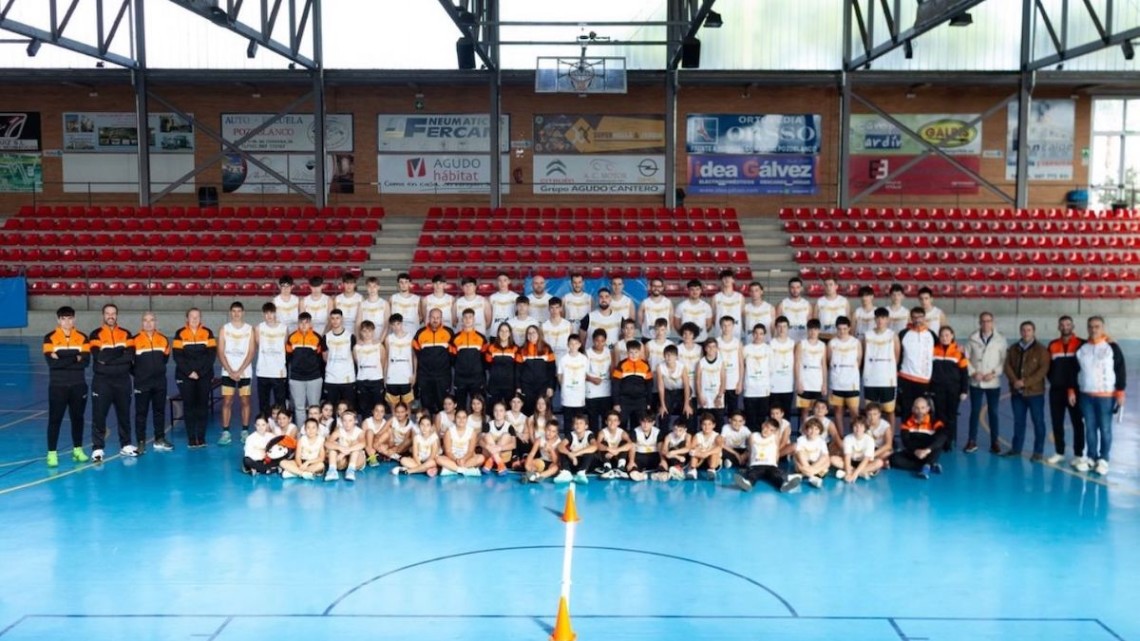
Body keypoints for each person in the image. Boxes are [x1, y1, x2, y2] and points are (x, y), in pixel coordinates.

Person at [1071, 315, 1126, 475]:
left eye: (1097, 326)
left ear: (1103, 328)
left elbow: (1120, 370)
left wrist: (1120, 391)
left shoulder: (1112, 347)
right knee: (1090, 428)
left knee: (1105, 428)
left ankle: (1104, 459)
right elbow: (1075, 371)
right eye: (1090, 326)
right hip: (1086, 395)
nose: (1093, 329)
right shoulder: (1082, 348)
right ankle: (1091, 457)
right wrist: (1071, 390)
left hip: (1106, 396)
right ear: (1087, 328)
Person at [43, 306, 91, 467]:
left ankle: (77, 450)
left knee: (78, 419)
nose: (67, 322)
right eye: (63, 318)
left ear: (74, 319)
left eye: (70, 318)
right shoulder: (49, 338)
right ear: (58, 320)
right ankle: (52, 453)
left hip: (78, 385)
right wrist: (75, 358)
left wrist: (61, 358)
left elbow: (85, 362)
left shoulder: (83, 338)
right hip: (58, 386)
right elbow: (52, 364)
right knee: (55, 419)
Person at [89, 303, 135, 460]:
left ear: (117, 315)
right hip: (102, 382)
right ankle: (97, 448)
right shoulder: (95, 334)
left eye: (113, 313)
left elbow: (130, 356)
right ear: (103, 315)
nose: (110, 316)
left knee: (124, 414)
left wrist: (109, 357)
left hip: (123, 380)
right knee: (99, 415)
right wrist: (120, 351)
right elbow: (99, 357)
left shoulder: (126, 334)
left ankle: (126, 445)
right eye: (108, 313)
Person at [1001, 321, 1051, 460]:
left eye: (1029, 330)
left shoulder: (1041, 350)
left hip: (1035, 393)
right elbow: (1007, 366)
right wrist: (1015, 381)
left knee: (1038, 422)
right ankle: (1016, 448)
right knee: (1018, 422)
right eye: (1023, 330)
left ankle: (1038, 452)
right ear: (1020, 332)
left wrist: (1025, 382)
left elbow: (1042, 370)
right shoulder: (1013, 348)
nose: (1026, 332)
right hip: (1017, 394)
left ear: (1033, 331)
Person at [173, 308, 217, 449]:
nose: (194, 319)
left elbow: (211, 355)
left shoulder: (208, 333)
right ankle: (191, 438)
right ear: (187, 318)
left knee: (202, 406)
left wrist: (201, 373)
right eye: (192, 316)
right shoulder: (180, 333)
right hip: (185, 376)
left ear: (200, 318)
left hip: (204, 376)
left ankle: (201, 438)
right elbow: (177, 356)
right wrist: (189, 372)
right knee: (189, 406)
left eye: (197, 316)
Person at [965, 311, 1007, 454]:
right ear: (979, 323)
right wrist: (973, 372)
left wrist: (994, 373)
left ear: (992, 322)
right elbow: (965, 358)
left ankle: (995, 442)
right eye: (983, 321)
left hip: (993, 382)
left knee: (993, 412)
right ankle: (971, 441)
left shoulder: (1000, 340)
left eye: (988, 321)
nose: (986, 323)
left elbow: (1004, 360)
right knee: (974, 411)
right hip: (976, 382)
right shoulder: (972, 339)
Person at [1046, 316, 1086, 467]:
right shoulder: (1053, 345)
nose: (1065, 327)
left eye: (1068, 324)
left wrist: (1073, 387)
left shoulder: (1081, 344)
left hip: (1076, 390)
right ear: (1058, 327)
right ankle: (1059, 452)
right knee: (1057, 422)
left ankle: (1078, 454)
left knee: (1077, 423)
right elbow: (1048, 367)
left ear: (1073, 326)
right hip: (1056, 391)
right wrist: (1055, 380)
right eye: (1062, 325)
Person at [132, 311, 171, 454]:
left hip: (160, 382)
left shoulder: (164, 339)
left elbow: (165, 359)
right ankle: (141, 442)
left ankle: (159, 438)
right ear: (142, 322)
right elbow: (129, 363)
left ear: (156, 322)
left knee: (159, 411)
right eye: (145, 320)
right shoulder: (134, 340)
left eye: (151, 320)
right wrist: (140, 374)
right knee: (141, 413)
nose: (148, 323)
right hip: (142, 383)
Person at [217, 301, 255, 445]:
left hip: (244, 372)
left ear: (243, 313)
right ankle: (226, 432)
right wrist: (230, 370)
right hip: (228, 372)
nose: (236, 314)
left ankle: (245, 431)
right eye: (234, 311)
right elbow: (220, 352)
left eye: (239, 311)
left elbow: (251, 352)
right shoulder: (224, 329)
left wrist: (239, 370)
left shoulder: (249, 329)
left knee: (245, 401)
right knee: (227, 401)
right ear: (230, 313)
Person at [733, 418, 802, 493]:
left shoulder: (775, 437)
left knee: (776, 475)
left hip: (770, 465)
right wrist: (749, 465)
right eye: (767, 427)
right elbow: (751, 451)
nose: (767, 431)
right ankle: (748, 483)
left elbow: (777, 452)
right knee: (753, 474)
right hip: (756, 464)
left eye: (771, 430)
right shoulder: (753, 436)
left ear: (774, 432)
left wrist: (775, 464)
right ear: (763, 425)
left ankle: (784, 484)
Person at [931, 325, 969, 452]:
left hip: (954, 390)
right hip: (937, 389)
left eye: (947, 335)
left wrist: (964, 390)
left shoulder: (959, 351)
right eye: (942, 335)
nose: (944, 338)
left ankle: (949, 440)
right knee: (940, 415)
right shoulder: (933, 350)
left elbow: (964, 372)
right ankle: (940, 439)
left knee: (951, 416)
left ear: (952, 336)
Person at [897, 307, 937, 428]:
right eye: (914, 317)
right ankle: (906, 436)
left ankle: (922, 436)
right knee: (906, 410)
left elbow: (938, 355)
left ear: (924, 318)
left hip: (924, 380)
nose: (917, 320)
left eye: (920, 317)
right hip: (906, 378)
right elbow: (897, 355)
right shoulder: (903, 334)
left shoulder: (931, 335)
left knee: (922, 412)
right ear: (911, 318)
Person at [891, 397, 947, 479]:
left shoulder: (935, 421)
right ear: (913, 409)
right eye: (917, 408)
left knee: (938, 444)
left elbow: (943, 436)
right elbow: (905, 441)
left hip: (928, 452)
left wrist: (927, 450)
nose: (920, 411)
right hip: (914, 452)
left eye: (922, 408)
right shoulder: (906, 422)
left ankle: (928, 465)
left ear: (928, 409)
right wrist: (915, 451)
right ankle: (927, 466)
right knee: (894, 459)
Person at [862, 307, 900, 426]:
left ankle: (890, 435)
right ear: (874, 319)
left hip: (887, 380)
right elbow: (863, 354)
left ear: (887, 319)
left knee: (889, 411)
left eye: (883, 318)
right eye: (878, 318)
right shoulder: (867, 335)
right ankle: (870, 435)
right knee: (870, 411)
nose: (880, 320)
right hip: (870, 379)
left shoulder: (893, 335)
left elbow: (897, 356)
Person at [413, 308, 456, 416]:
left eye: (438, 317)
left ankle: (442, 425)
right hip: (425, 376)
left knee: (443, 404)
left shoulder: (449, 332)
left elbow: (453, 353)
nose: (435, 320)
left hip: (443, 376)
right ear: (429, 318)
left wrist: (444, 365)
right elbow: (416, 353)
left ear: (441, 319)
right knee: (426, 405)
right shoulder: (420, 333)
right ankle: (427, 426)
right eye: (433, 317)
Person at [286, 312, 323, 427]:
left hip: (314, 377)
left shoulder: (317, 337)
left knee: (314, 408)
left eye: (306, 322)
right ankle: (301, 432)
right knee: (299, 408)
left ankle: (315, 431)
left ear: (310, 324)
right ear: (298, 323)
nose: (303, 325)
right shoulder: (292, 337)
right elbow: (288, 358)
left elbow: (321, 359)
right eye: (301, 322)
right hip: (296, 378)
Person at [827, 316, 861, 436]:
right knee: (838, 411)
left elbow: (859, 361)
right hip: (836, 382)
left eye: (845, 329)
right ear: (836, 329)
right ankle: (841, 438)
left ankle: (856, 437)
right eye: (840, 329)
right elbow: (829, 360)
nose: (842, 331)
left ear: (849, 328)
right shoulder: (832, 343)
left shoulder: (856, 342)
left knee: (854, 412)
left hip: (852, 383)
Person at [254, 302, 289, 421]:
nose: (269, 315)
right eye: (266, 313)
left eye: (271, 313)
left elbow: (284, 344)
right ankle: (265, 425)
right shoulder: (259, 328)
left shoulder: (284, 328)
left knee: (280, 402)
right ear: (263, 314)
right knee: (263, 402)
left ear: (275, 313)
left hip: (279, 371)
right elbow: (258, 344)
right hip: (263, 371)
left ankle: (282, 425)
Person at [450, 309, 487, 409]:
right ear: (462, 320)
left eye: (470, 317)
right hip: (460, 378)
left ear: (474, 320)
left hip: (477, 378)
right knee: (460, 406)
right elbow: (452, 358)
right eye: (465, 317)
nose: (467, 320)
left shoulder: (481, 338)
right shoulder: (455, 338)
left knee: (478, 406)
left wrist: (478, 371)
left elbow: (484, 359)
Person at [612, 340, 653, 431]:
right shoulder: (621, 365)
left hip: (640, 401)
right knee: (622, 424)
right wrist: (616, 403)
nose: (633, 355)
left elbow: (649, 385)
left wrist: (649, 403)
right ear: (627, 353)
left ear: (640, 352)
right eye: (631, 352)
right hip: (625, 400)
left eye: (636, 352)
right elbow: (615, 385)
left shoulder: (645, 365)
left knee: (638, 425)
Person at [794, 319, 828, 427]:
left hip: (817, 382)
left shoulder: (822, 345)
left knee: (817, 410)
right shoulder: (801, 344)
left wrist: (824, 384)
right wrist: (798, 382)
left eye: (815, 329)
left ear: (819, 330)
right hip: (805, 381)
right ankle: (805, 431)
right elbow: (797, 363)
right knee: (804, 411)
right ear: (807, 330)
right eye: (811, 329)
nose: (813, 332)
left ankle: (816, 432)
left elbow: (823, 365)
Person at [516, 325, 556, 415]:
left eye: (534, 332)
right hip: (527, 387)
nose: (531, 335)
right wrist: (518, 387)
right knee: (528, 411)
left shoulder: (547, 348)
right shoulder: (521, 350)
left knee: (544, 411)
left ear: (539, 334)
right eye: (529, 333)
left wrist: (551, 387)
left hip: (543, 386)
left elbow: (551, 370)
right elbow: (518, 371)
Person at [831, 416, 882, 483]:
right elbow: (847, 457)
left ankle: (855, 472)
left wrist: (854, 475)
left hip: (864, 463)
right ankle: (862, 473)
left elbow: (866, 459)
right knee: (832, 459)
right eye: (856, 426)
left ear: (865, 428)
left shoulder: (870, 440)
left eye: (861, 426)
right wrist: (848, 473)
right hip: (851, 462)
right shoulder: (848, 438)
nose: (858, 429)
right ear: (852, 427)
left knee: (879, 462)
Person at [741, 324, 772, 431]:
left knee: (761, 419)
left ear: (764, 335)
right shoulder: (746, 349)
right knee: (750, 419)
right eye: (756, 333)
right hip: (750, 390)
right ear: (752, 334)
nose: (758, 336)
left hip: (763, 390)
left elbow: (771, 368)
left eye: (761, 334)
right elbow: (742, 367)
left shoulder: (768, 349)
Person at [384, 314, 417, 409]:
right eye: (393, 324)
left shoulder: (410, 337)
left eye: (398, 324)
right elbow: (386, 358)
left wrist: (414, 374)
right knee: (393, 406)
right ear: (390, 326)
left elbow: (414, 357)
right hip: (392, 375)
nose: (396, 327)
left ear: (402, 324)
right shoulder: (388, 339)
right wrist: (385, 376)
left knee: (407, 406)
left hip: (406, 375)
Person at [438, 409, 484, 476]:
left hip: (466, 459)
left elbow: (470, 451)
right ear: (455, 418)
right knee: (438, 458)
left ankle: (453, 469)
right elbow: (448, 451)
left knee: (481, 458)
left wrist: (463, 459)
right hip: (452, 459)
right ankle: (464, 470)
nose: (461, 420)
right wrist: (456, 460)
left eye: (464, 417)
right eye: (458, 417)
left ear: (467, 419)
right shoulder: (449, 432)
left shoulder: (472, 432)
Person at [584, 328, 614, 431]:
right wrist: (592, 379)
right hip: (592, 392)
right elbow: (582, 373)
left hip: (606, 391)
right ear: (593, 340)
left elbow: (612, 369)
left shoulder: (608, 352)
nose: (599, 343)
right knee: (593, 421)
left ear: (605, 341)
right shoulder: (588, 353)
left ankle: (604, 440)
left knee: (606, 420)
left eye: (602, 341)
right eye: (597, 340)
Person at [353, 320, 385, 418]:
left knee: (378, 407)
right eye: (364, 331)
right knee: (364, 407)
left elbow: (383, 362)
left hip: (376, 380)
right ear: (360, 332)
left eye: (370, 331)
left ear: (373, 332)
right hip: (362, 380)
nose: (367, 334)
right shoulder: (356, 347)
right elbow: (357, 362)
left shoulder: (379, 346)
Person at [558, 334, 589, 432]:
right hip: (567, 395)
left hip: (579, 395)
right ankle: (567, 440)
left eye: (576, 343)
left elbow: (586, 375)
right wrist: (565, 387)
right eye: (571, 343)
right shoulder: (563, 359)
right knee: (568, 422)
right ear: (568, 344)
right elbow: (560, 375)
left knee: (579, 421)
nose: (573, 345)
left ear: (580, 344)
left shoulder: (584, 359)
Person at [694, 339, 726, 430]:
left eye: (713, 347)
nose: (711, 349)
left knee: (719, 424)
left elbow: (723, 380)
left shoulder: (720, 362)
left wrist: (719, 396)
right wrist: (700, 396)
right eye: (709, 347)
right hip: (705, 397)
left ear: (717, 348)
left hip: (717, 398)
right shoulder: (701, 362)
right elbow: (697, 381)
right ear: (705, 349)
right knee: (705, 424)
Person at [325, 409, 365, 482]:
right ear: (341, 421)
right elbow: (327, 443)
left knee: (355, 443)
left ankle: (351, 470)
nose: (347, 423)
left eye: (350, 420)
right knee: (333, 446)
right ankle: (332, 471)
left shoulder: (359, 432)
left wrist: (345, 451)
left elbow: (363, 444)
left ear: (355, 421)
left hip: (357, 460)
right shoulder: (339, 431)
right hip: (343, 461)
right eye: (344, 421)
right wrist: (339, 447)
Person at [484, 322, 518, 408]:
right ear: (498, 333)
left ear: (510, 333)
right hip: (494, 386)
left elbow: (517, 369)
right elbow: (487, 365)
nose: (504, 333)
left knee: (510, 411)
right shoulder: (491, 348)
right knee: (492, 410)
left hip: (510, 386)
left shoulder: (515, 349)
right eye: (501, 331)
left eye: (506, 331)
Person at [656, 344, 691, 428]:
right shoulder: (660, 367)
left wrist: (687, 404)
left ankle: (686, 433)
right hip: (667, 391)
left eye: (671, 355)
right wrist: (663, 405)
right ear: (664, 356)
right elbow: (660, 387)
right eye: (667, 355)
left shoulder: (682, 367)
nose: (669, 357)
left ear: (676, 357)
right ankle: (664, 434)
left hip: (681, 391)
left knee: (688, 412)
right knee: (663, 413)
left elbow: (687, 386)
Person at [768, 316, 796, 418]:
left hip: (787, 385)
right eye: (779, 326)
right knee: (773, 415)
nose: (782, 329)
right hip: (773, 386)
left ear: (788, 328)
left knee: (786, 414)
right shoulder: (771, 344)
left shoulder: (793, 344)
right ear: (775, 328)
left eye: (784, 326)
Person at [555, 415, 597, 483]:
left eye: (581, 423)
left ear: (586, 426)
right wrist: (570, 454)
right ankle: (566, 473)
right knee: (563, 451)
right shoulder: (571, 435)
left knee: (590, 452)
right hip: (573, 462)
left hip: (586, 465)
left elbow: (595, 446)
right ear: (573, 426)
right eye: (576, 423)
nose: (578, 425)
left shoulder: (589, 434)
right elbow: (560, 446)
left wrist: (575, 454)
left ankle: (581, 473)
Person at [716, 316, 743, 412]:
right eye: (724, 325)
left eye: (729, 325)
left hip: (733, 384)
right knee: (719, 412)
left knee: (733, 412)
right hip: (719, 384)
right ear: (720, 326)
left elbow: (741, 364)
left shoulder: (737, 343)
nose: (726, 328)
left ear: (733, 326)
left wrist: (740, 382)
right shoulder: (716, 342)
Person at [481, 401, 517, 474]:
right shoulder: (488, 425)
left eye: (501, 411)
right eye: (496, 410)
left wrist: (500, 448)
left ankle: (491, 460)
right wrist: (487, 446)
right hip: (488, 453)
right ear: (493, 412)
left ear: (505, 413)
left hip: (503, 457)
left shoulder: (509, 427)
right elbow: (480, 441)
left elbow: (513, 445)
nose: (498, 413)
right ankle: (499, 463)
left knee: (506, 435)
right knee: (487, 435)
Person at [627, 414, 666, 482]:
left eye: (648, 422)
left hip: (654, 456)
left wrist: (663, 460)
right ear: (640, 422)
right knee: (632, 471)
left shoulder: (658, 432)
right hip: (639, 456)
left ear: (653, 423)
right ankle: (640, 475)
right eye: (643, 422)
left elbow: (660, 447)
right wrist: (631, 461)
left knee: (664, 472)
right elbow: (632, 447)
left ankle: (657, 474)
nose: (645, 425)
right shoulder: (635, 431)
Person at [794, 417, 830, 488]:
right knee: (799, 453)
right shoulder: (801, 439)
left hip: (815, 464)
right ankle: (814, 476)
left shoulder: (821, 441)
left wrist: (810, 468)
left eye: (816, 429)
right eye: (811, 428)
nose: (813, 431)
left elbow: (825, 456)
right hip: (804, 463)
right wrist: (801, 466)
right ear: (806, 430)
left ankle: (807, 474)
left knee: (826, 459)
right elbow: (798, 455)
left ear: (820, 431)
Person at [596, 411, 633, 478]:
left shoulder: (622, 432)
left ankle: (621, 468)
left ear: (618, 422)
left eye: (615, 420)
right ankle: (607, 469)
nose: (612, 422)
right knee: (603, 443)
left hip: (618, 458)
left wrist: (617, 451)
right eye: (610, 420)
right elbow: (597, 445)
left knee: (624, 443)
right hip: (606, 457)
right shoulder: (602, 432)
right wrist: (609, 449)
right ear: (606, 422)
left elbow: (631, 444)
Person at [687, 413, 723, 480]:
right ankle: (693, 470)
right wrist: (699, 453)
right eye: (704, 424)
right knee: (694, 452)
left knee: (714, 453)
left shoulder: (717, 436)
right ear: (701, 425)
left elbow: (719, 448)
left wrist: (706, 453)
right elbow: (691, 450)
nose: (707, 427)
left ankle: (712, 471)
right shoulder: (697, 436)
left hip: (713, 463)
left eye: (709, 424)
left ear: (714, 425)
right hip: (700, 462)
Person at [777, 277, 811, 342]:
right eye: (792, 287)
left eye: (798, 287)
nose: (795, 290)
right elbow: (777, 325)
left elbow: (810, 325)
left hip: (803, 340)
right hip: (786, 341)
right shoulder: (782, 304)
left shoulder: (807, 304)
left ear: (801, 288)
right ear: (789, 288)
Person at [713, 269, 744, 339]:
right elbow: (713, 318)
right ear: (721, 280)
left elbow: (741, 314)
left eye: (729, 277)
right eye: (724, 278)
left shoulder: (740, 297)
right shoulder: (715, 297)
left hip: (736, 333)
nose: (727, 279)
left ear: (733, 280)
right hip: (720, 333)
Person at [541, 297, 574, 361]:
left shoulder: (568, 325)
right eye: (552, 308)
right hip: (549, 359)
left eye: (557, 307)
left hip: (565, 359)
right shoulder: (543, 326)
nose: (554, 310)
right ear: (548, 309)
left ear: (561, 308)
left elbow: (572, 343)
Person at [360, 276, 390, 340]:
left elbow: (387, 325)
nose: (372, 289)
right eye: (369, 286)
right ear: (366, 287)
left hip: (381, 338)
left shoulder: (385, 304)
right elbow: (358, 324)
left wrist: (380, 341)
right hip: (365, 339)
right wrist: (359, 339)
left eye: (374, 286)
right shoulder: (362, 304)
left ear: (378, 287)